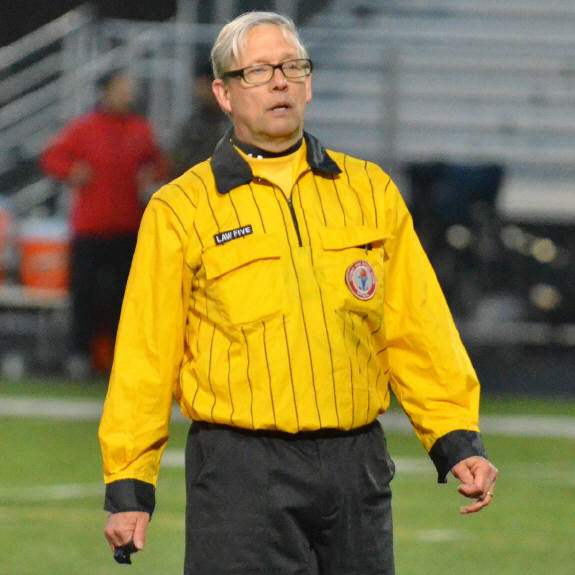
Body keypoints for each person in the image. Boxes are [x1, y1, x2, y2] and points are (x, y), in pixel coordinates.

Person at [99, 12, 498, 575]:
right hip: (239, 472)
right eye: (258, 71)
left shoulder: (371, 192)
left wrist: (457, 440)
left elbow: (418, 327)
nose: (280, 82)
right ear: (224, 94)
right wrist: (129, 483)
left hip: (356, 467)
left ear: (309, 84)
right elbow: (146, 354)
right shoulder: (180, 208)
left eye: (292, 67)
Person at [40, 69, 168, 379]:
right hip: (90, 228)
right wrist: (72, 172)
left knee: (126, 297)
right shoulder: (84, 128)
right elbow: (51, 158)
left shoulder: (140, 129)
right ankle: (80, 356)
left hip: (129, 227)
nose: (128, 94)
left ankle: (119, 358)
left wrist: (150, 176)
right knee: (84, 293)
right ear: (106, 92)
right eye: (122, 88)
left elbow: (160, 164)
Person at [169, 61, 229, 178]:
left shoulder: (236, 123)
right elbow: (177, 164)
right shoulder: (193, 125)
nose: (198, 91)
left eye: (202, 85)